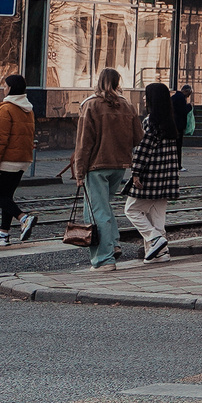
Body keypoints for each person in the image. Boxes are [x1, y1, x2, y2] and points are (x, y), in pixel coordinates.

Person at [73, 68, 140, 271]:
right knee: (104, 207)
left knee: (96, 211)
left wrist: (79, 170)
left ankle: (104, 259)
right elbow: (138, 137)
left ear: (98, 81)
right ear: (118, 82)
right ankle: (114, 243)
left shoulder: (91, 105)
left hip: (96, 165)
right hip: (119, 166)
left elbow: (84, 142)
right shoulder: (127, 106)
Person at [126, 79, 180, 264]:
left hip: (150, 177)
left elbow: (143, 149)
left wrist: (136, 172)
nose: (143, 97)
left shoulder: (151, 122)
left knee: (131, 210)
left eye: (146, 95)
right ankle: (161, 253)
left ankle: (154, 239)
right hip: (166, 177)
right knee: (158, 217)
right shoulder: (170, 122)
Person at [0, 73, 37, 246]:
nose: (3, 88)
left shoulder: (6, 109)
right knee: (7, 197)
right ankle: (4, 234)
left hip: (7, 160)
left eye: (5, 86)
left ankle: (23, 218)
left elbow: (0, 138)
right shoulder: (27, 109)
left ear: (11, 88)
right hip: (23, 159)